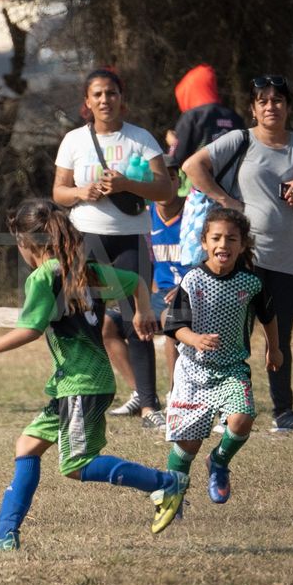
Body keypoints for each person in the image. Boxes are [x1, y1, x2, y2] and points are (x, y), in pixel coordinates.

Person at [0, 199, 187, 552]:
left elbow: (30, 330)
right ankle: (4, 534)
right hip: (75, 383)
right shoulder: (88, 269)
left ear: (26, 243)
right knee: (27, 446)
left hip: (83, 384)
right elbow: (138, 282)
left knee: (77, 464)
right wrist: (141, 313)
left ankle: (165, 483)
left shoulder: (43, 277)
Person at [181, 75, 293, 433]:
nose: (270, 107)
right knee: (228, 333)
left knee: (281, 337)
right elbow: (191, 166)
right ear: (253, 108)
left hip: (288, 257)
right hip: (243, 257)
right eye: (262, 101)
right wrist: (226, 201)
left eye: (277, 100)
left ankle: (285, 414)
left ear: (288, 107)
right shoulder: (240, 139)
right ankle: (219, 409)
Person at [52, 68, 172, 429]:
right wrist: (80, 193)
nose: (106, 100)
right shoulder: (74, 140)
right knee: (85, 321)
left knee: (140, 321)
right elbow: (58, 192)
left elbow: (166, 190)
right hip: (86, 240)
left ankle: (150, 407)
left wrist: (127, 183)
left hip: (130, 238)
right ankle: (84, 398)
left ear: (122, 99)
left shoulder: (141, 139)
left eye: (112, 93)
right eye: (98, 95)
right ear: (87, 102)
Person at [162, 208, 281, 506]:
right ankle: (173, 495)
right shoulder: (191, 280)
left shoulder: (251, 283)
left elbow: (268, 316)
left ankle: (218, 461)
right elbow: (174, 326)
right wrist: (196, 339)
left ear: (242, 245)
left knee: (242, 419)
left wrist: (274, 347)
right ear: (204, 242)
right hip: (192, 371)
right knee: (188, 443)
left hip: (232, 369)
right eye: (216, 238)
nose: (223, 245)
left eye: (231, 239)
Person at [108, 153, 188, 417]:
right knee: (108, 324)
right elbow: (143, 265)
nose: (166, 182)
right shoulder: (142, 217)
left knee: (171, 319)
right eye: (159, 176)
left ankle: (178, 397)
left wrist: (189, 283)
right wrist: (144, 300)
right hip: (156, 294)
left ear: (178, 181)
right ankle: (141, 394)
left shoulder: (194, 213)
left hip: (192, 292)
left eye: (171, 176)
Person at [172, 64, 246, 265]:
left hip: (200, 196)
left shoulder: (192, 117)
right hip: (233, 197)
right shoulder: (233, 117)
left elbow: (177, 157)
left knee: (198, 258)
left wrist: (171, 143)